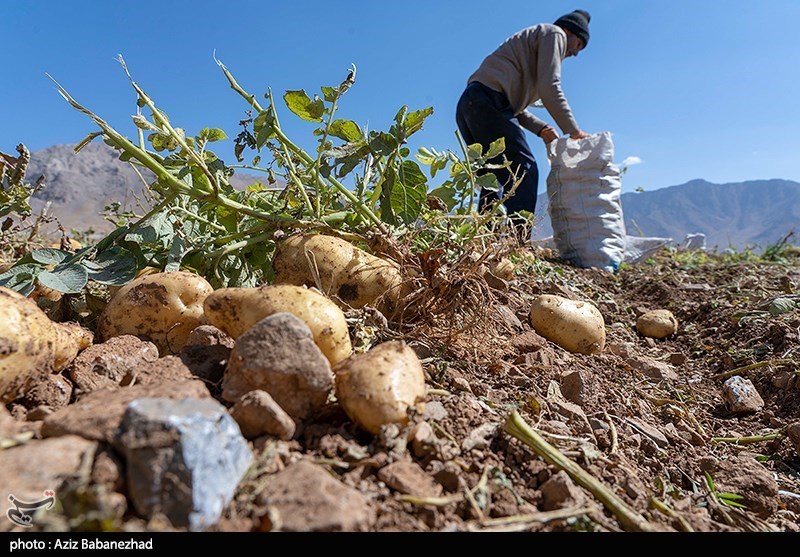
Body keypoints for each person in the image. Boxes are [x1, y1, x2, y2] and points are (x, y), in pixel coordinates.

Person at [455, 9, 592, 229]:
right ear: (570, 31)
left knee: (491, 177)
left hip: (470, 105)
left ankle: (481, 245)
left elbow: (510, 106)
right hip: (488, 102)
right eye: (578, 45)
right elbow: (550, 87)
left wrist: (541, 128)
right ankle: (517, 243)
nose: (575, 53)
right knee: (524, 170)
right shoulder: (555, 33)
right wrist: (573, 131)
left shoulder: (532, 48)